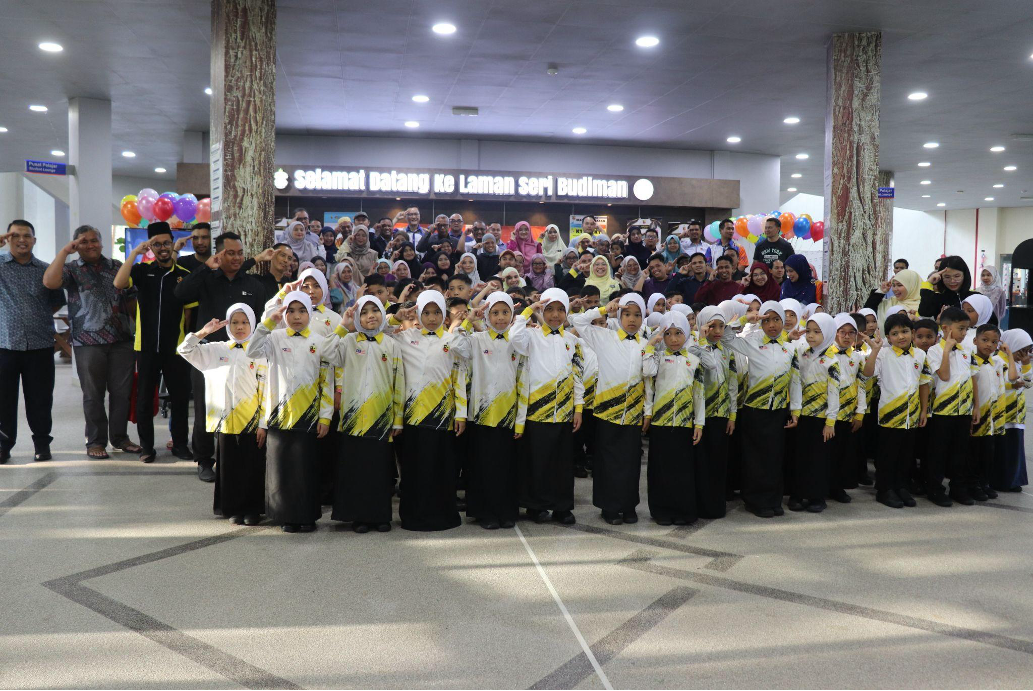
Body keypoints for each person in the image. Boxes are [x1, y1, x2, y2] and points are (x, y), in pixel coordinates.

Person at [174, 232, 268, 481]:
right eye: (230, 253)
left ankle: (238, 457)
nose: (237, 258)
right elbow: (180, 294)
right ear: (218, 254)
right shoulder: (206, 279)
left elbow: (261, 323)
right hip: (210, 354)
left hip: (244, 358)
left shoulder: (253, 285)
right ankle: (204, 460)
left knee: (245, 405)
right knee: (206, 406)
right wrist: (205, 268)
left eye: (240, 253)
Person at [42, 225, 140, 460]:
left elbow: (132, 296)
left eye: (94, 240)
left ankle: (120, 438)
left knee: (121, 392)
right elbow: (49, 282)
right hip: (88, 341)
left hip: (122, 340)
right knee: (93, 394)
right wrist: (65, 252)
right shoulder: (71, 269)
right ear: (76, 245)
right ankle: (95, 441)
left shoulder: (116, 266)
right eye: (83, 241)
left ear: (101, 242)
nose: (90, 245)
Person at [247, 291, 331, 532]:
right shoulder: (274, 337)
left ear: (310, 313)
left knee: (305, 469)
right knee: (282, 470)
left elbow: (326, 379)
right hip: (279, 415)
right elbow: (251, 351)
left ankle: (307, 516)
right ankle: (286, 517)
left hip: (308, 416)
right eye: (291, 311)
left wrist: (325, 415)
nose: (296, 316)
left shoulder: (319, 341)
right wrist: (268, 323)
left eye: (302, 311)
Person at [177, 304, 267, 525]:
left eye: (245, 322)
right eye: (235, 322)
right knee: (229, 467)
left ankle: (253, 509)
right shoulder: (216, 350)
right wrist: (203, 333)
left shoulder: (259, 352)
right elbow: (184, 350)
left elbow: (267, 390)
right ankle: (232, 508)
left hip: (252, 421)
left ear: (252, 324)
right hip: (226, 422)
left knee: (252, 466)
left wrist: (263, 423)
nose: (239, 327)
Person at [113, 222, 194, 464]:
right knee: (145, 400)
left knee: (180, 398)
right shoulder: (141, 271)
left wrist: (186, 344)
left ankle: (180, 444)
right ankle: (147, 447)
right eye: (156, 244)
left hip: (176, 349)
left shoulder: (184, 276)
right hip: (146, 348)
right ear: (151, 246)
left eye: (166, 243)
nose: (162, 248)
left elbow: (189, 315)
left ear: (172, 244)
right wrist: (136, 253)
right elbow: (118, 284)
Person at [321, 296, 403, 533]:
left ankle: (380, 516)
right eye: (364, 312)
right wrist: (343, 325)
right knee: (356, 470)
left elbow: (399, 383)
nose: (370, 316)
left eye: (375, 310)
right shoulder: (347, 341)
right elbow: (325, 353)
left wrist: (397, 419)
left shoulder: (391, 344)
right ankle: (359, 517)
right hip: (353, 421)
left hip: (382, 419)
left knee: (379, 471)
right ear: (357, 317)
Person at [388, 292, 470, 531]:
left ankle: (443, 516)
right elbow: (376, 332)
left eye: (436, 313)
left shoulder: (452, 339)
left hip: (442, 415)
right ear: (419, 313)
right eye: (426, 312)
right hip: (412, 416)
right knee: (414, 470)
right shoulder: (405, 338)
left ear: (444, 314)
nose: (432, 318)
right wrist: (395, 317)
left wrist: (461, 414)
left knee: (440, 468)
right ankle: (414, 517)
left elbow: (459, 376)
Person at [570, 295, 648, 525]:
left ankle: (628, 505)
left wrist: (647, 411)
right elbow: (578, 321)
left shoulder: (646, 344)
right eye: (626, 314)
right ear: (618, 316)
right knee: (607, 462)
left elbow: (649, 381)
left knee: (631, 462)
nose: (631, 319)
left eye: (637, 315)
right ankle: (609, 507)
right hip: (606, 413)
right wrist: (603, 309)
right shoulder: (605, 337)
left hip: (633, 413)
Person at [721, 301, 802, 518]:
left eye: (777, 319)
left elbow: (795, 381)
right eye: (767, 320)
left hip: (777, 410)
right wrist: (747, 319)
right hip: (755, 410)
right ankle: (755, 500)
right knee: (756, 458)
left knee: (774, 457)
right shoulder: (753, 342)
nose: (772, 325)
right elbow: (727, 337)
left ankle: (773, 500)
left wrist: (795, 410)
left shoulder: (789, 347)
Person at [510, 288, 584, 524]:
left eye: (560, 309)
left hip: (563, 412)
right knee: (537, 462)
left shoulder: (572, 341)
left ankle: (562, 507)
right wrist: (528, 312)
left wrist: (578, 408)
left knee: (562, 463)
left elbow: (578, 376)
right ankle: (536, 506)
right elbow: (513, 337)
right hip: (537, 412)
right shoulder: (531, 336)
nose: (555, 315)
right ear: (542, 310)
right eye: (549, 309)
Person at [457, 293, 530, 530]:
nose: (500, 318)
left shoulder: (518, 342)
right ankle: (484, 512)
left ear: (512, 315)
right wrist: (470, 318)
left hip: (508, 417)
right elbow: (456, 347)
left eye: (505, 312)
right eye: (495, 313)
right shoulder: (477, 339)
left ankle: (506, 511)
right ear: (487, 315)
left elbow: (523, 382)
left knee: (506, 468)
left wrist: (520, 421)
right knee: (482, 466)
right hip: (481, 416)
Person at [0, 220, 67, 463]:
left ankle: (42, 445)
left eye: (26, 235)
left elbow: (57, 300)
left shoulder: (45, 269)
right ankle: (3, 445)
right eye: (15, 235)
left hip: (39, 346)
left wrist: (35, 316)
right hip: (5, 345)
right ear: (8, 239)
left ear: (34, 240)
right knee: (3, 400)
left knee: (40, 400)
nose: (21, 240)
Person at [860, 313, 932, 509]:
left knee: (906, 455)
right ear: (888, 337)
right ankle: (885, 489)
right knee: (887, 454)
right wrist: (874, 351)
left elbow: (924, 383)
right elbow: (867, 373)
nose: (901, 336)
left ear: (912, 332)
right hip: (889, 417)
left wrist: (924, 411)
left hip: (912, 415)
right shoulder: (884, 354)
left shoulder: (920, 355)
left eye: (905, 331)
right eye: (895, 333)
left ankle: (901, 486)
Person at [641, 310, 705, 525]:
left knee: (682, 470)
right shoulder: (657, 358)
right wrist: (652, 344)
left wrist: (699, 422)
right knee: (661, 469)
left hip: (685, 423)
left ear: (687, 333)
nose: (674, 339)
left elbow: (699, 393)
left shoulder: (695, 361)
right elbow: (648, 378)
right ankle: (661, 511)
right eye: (668, 334)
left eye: (679, 333)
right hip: (661, 422)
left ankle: (683, 511)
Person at [686, 306, 738, 519]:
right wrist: (701, 341)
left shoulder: (728, 352)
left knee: (718, 461)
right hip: (700, 415)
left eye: (721, 326)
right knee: (701, 462)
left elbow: (733, 385)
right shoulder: (692, 348)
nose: (717, 331)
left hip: (721, 415)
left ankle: (716, 505)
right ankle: (700, 504)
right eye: (712, 326)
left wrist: (732, 415)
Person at [923, 307, 975, 507]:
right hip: (943, 411)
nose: (963, 334)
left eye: (966, 330)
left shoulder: (966, 351)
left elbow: (972, 378)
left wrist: (975, 406)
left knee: (960, 451)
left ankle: (958, 488)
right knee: (939, 451)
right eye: (960, 329)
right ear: (945, 328)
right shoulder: (935, 351)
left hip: (964, 410)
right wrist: (946, 350)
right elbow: (943, 376)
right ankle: (935, 489)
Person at [790, 313, 840, 514]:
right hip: (801, 415)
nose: (810, 336)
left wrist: (831, 421)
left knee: (817, 460)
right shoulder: (802, 352)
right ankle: (797, 495)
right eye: (808, 331)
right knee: (799, 457)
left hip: (821, 419)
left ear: (827, 334)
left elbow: (834, 393)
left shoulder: (832, 361)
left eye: (817, 332)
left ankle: (816, 496)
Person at [828, 313, 867, 503]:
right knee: (826, 451)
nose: (846, 336)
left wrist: (860, 412)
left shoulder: (858, 357)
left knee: (843, 453)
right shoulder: (826, 354)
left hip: (847, 413)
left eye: (851, 333)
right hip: (827, 413)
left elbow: (862, 384)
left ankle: (837, 487)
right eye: (842, 332)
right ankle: (822, 486)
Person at [993, 329, 1032, 492]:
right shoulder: (997, 361)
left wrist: (1026, 364)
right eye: (1021, 351)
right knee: (1002, 448)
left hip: (1017, 415)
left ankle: (1013, 480)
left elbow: (1028, 383)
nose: (1024, 355)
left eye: (1028, 351)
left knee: (1015, 448)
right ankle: (998, 480)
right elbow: (997, 381)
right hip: (1002, 413)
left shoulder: (1021, 364)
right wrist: (1011, 385)